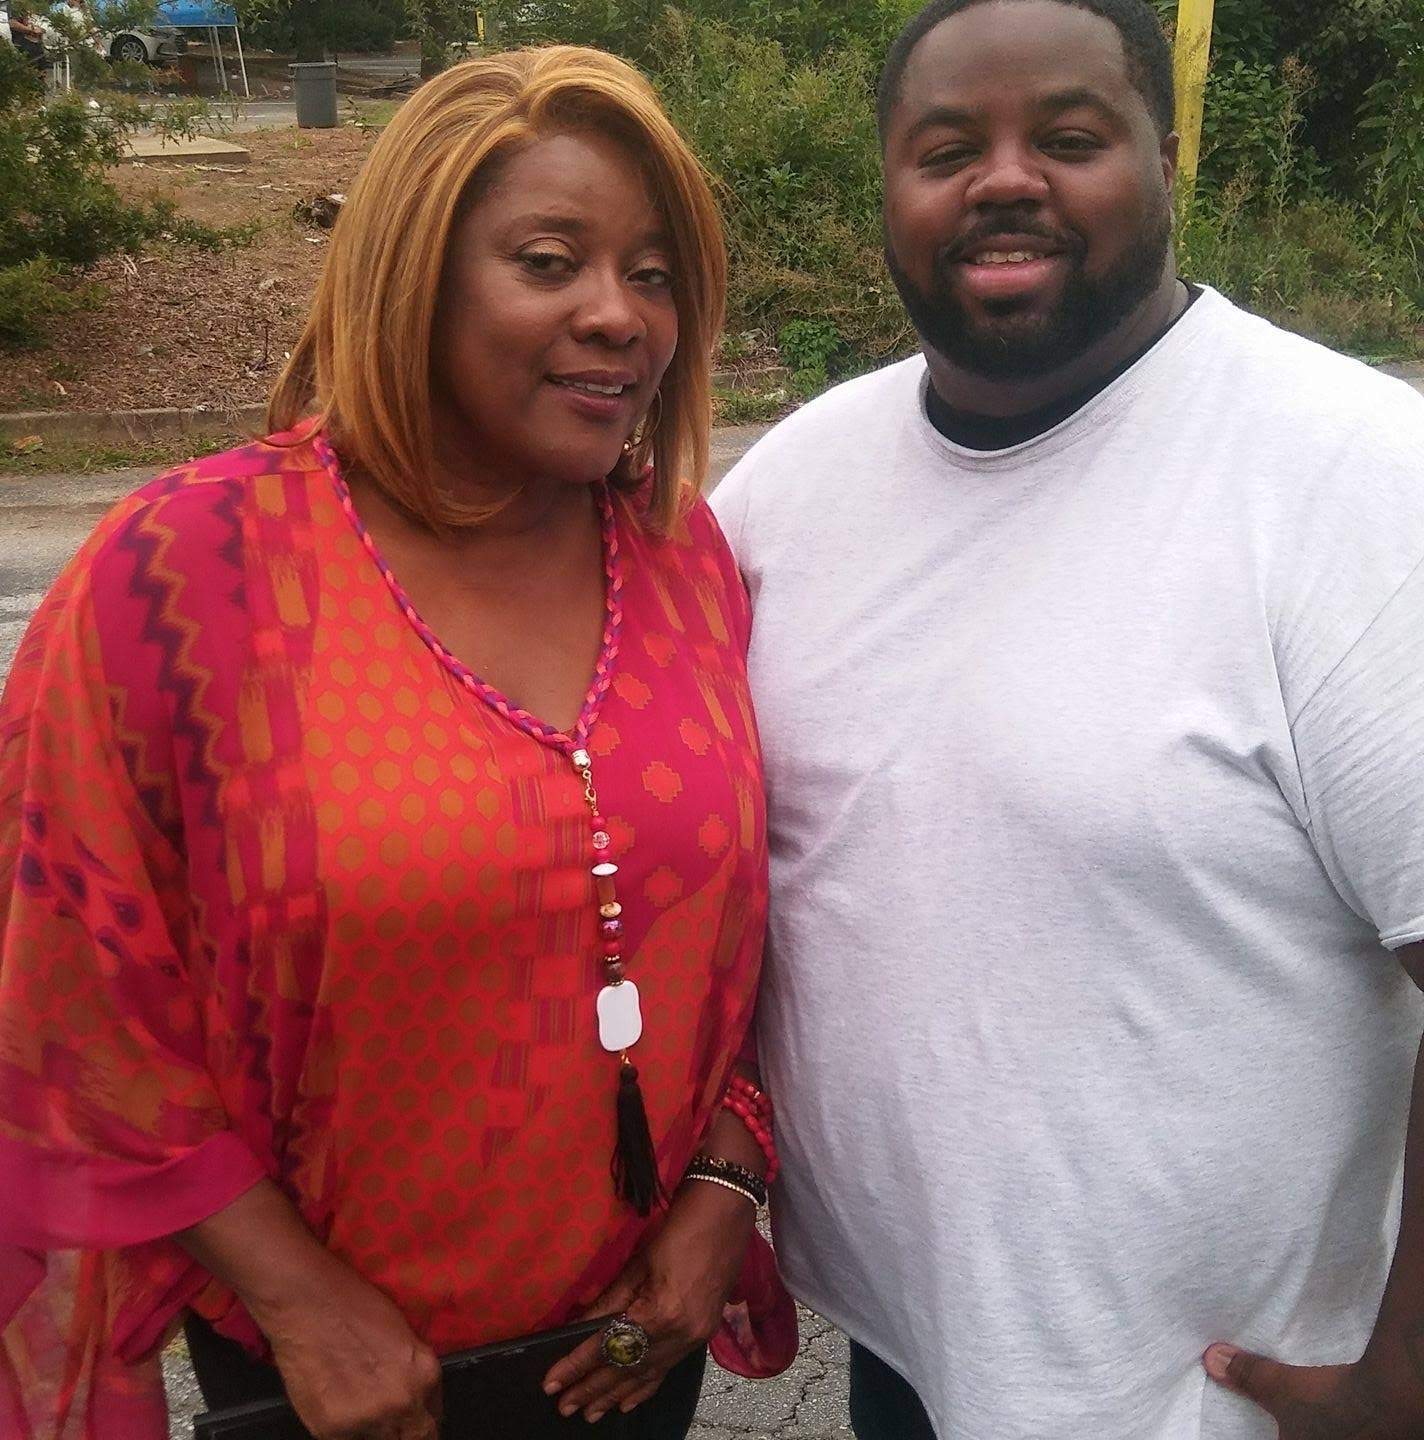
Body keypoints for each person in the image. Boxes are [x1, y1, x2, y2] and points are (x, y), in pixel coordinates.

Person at [0, 45, 794, 1440]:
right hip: (337, 1383)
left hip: (629, 1353)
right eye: (550, 262)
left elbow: (751, 920)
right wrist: (299, 1298)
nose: (619, 315)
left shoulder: (682, 558)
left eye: (655, 274)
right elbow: (71, 985)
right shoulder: (188, 573)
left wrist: (727, 1186)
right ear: (414, 278)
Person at [711, 1, 1424, 1436]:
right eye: (947, 147)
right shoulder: (793, 487)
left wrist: (1411, 1376)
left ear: (1168, 161)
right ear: (892, 193)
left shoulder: (1352, 482)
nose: (1006, 178)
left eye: (1072, 137)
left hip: (1204, 1401)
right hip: (911, 1355)